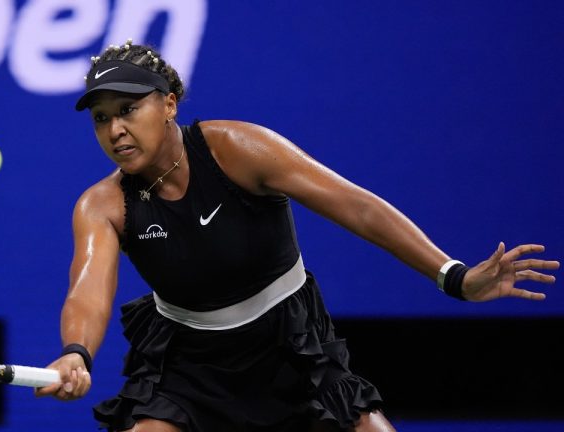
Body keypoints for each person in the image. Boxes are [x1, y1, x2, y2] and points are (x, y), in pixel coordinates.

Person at [34, 40, 559, 432]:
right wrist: (76, 353)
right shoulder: (101, 204)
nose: (115, 130)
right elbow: (88, 289)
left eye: (128, 109)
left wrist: (454, 276)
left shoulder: (238, 149)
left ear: (169, 103)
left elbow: (355, 206)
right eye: (101, 119)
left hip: (292, 346)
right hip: (188, 366)